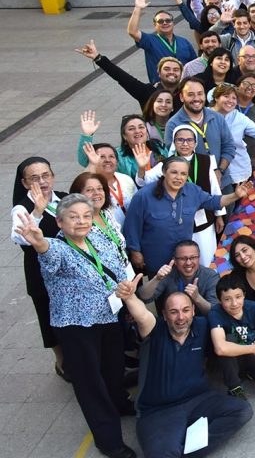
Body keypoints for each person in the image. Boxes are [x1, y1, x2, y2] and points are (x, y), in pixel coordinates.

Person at [13, 196, 135, 458]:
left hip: (109, 317)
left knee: (113, 370)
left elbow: (115, 266)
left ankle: (118, 403)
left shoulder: (97, 237)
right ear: (59, 221)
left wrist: (123, 287)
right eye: (74, 216)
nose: (82, 221)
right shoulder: (57, 248)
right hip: (77, 326)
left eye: (86, 215)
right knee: (90, 384)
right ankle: (109, 440)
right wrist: (40, 243)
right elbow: (48, 253)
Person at [114, 279, 253, 457]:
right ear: (164, 314)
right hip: (159, 410)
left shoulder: (202, 326)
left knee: (242, 410)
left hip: (199, 400)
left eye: (186, 310)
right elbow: (142, 315)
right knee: (161, 453)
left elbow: (229, 322)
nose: (181, 317)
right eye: (174, 312)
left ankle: (184, 451)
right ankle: (177, 445)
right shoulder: (154, 329)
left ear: (193, 311)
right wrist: (130, 296)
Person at [124, 156, 250, 273]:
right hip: (158, 260)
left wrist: (235, 196)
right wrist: (135, 252)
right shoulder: (144, 196)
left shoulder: (192, 190)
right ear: (163, 172)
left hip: (185, 261)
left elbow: (214, 202)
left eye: (183, 174)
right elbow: (132, 226)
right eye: (174, 172)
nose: (178, 177)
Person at [137, 125, 225, 267]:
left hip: (204, 218)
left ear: (195, 143)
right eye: (180, 140)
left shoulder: (206, 160)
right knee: (185, 260)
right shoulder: (166, 164)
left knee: (207, 258)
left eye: (189, 140)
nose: (185, 144)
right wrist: (142, 168)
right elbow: (144, 181)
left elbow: (214, 188)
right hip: (178, 221)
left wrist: (219, 214)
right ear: (174, 142)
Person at [10, 157, 66, 379]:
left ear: (52, 176)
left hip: (66, 270)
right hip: (40, 273)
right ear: (24, 183)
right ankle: (61, 362)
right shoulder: (22, 207)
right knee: (48, 316)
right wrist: (37, 213)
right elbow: (18, 237)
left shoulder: (62, 198)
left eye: (45, 175)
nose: (42, 181)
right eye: (35, 178)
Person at [164, 77, 239, 189]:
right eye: (190, 94)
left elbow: (229, 147)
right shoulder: (174, 124)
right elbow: (173, 159)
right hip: (193, 186)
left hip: (222, 182)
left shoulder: (217, 117)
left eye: (200, 94)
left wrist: (220, 171)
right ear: (181, 97)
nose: (196, 98)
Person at [128, 0, 197, 83]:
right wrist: (137, 8)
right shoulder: (150, 41)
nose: (165, 23)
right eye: (160, 21)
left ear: (173, 23)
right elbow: (132, 31)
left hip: (183, 88)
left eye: (168, 20)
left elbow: (194, 65)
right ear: (154, 25)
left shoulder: (184, 42)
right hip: (161, 90)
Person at [137, 240, 220, 315]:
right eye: (183, 258)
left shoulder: (211, 276)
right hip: (172, 322)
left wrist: (197, 298)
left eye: (193, 257)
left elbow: (215, 313)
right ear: (175, 261)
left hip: (201, 323)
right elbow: (143, 297)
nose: (188, 262)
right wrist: (156, 279)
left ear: (199, 258)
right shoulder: (168, 273)